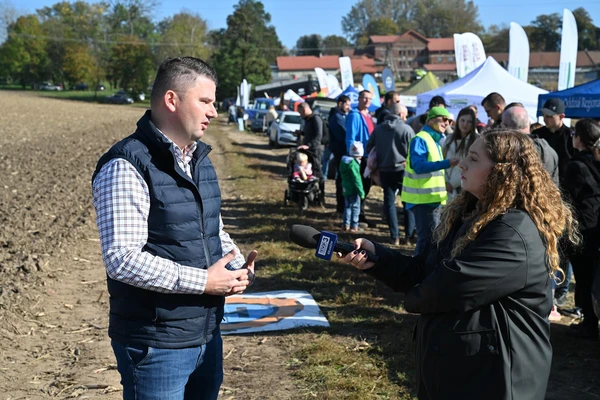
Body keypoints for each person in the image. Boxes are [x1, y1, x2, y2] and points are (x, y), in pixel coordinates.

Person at [341, 130, 580, 400]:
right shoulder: (470, 213)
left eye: (474, 158)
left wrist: (414, 297)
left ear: (503, 172)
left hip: (495, 378)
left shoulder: (515, 231)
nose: (462, 163)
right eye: (467, 155)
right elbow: (425, 270)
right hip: (458, 368)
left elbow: (448, 287)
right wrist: (379, 259)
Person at [92, 57, 257, 400]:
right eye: (205, 101)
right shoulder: (126, 165)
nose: (214, 112)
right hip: (156, 343)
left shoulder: (201, 161)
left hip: (206, 334)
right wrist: (205, 282)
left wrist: (236, 268)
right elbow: (122, 259)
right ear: (172, 100)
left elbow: (213, 233)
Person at [402, 106, 459, 256]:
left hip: (431, 199)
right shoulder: (421, 139)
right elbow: (418, 166)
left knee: (431, 239)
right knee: (426, 240)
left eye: (450, 121)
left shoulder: (434, 141)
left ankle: (422, 272)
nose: (447, 123)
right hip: (422, 200)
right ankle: (416, 274)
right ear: (431, 119)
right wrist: (447, 163)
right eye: (444, 119)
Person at [536, 98, 574, 306]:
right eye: (544, 116)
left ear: (561, 116)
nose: (546, 119)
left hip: (564, 198)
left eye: (550, 116)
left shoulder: (570, 136)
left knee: (563, 246)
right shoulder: (539, 135)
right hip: (543, 197)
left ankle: (563, 288)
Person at [564, 119, 600, 340]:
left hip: (582, 228)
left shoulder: (576, 166)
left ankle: (589, 323)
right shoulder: (595, 162)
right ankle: (589, 320)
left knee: (584, 277)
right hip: (595, 226)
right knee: (591, 277)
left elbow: (568, 200)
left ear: (579, 139)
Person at [367, 103, 415, 245]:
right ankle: (409, 235)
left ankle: (394, 236)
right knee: (408, 203)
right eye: (405, 115)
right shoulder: (407, 129)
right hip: (403, 170)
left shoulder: (378, 129)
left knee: (389, 203)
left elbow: (369, 147)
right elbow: (414, 151)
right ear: (401, 115)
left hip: (385, 170)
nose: (406, 118)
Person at [502, 105, 559, 186]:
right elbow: (555, 185)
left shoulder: (508, 152)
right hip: (547, 197)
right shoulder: (550, 151)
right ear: (528, 123)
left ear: (504, 126)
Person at [345, 90, 376, 227]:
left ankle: (359, 214)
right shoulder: (354, 115)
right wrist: (353, 157)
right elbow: (350, 137)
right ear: (359, 99)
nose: (367, 101)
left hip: (369, 156)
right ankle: (357, 217)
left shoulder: (368, 116)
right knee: (360, 187)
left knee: (366, 186)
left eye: (369, 98)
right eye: (365, 98)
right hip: (359, 156)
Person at [442, 107, 479, 200]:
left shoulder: (477, 141)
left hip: (464, 188)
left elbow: (473, 167)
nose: (465, 124)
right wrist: (446, 182)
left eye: (469, 122)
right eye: (462, 120)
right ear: (457, 120)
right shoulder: (448, 139)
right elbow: (442, 161)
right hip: (445, 187)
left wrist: (453, 183)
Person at [329, 95, 351, 214]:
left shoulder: (340, 116)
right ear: (340, 104)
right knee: (341, 179)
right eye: (347, 104)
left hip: (341, 152)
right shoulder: (337, 118)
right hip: (340, 152)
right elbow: (343, 135)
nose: (349, 107)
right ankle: (341, 207)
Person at [340, 141, 366, 232]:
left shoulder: (344, 162)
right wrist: (361, 192)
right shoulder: (354, 164)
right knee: (355, 207)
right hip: (354, 189)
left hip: (345, 188)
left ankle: (345, 224)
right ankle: (354, 225)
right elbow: (357, 179)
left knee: (347, 207)